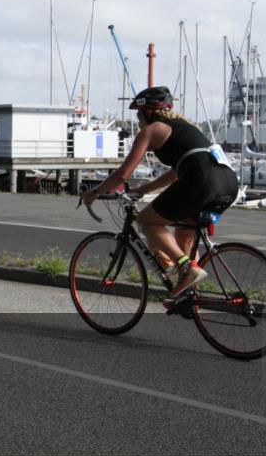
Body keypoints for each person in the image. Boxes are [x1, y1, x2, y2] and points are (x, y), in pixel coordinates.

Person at [82, 86, 239, 298]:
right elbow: (176, 173)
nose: (138, 120)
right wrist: (143, 189)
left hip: (201, 182)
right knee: (183, 237)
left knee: (147, 221)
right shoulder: (184, 126)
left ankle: (187, 268)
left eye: (138, 114)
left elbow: (122, 175)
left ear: (148, 111)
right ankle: (191, 295)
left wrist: (95, 192)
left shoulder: (151, 130)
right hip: (228, 182)